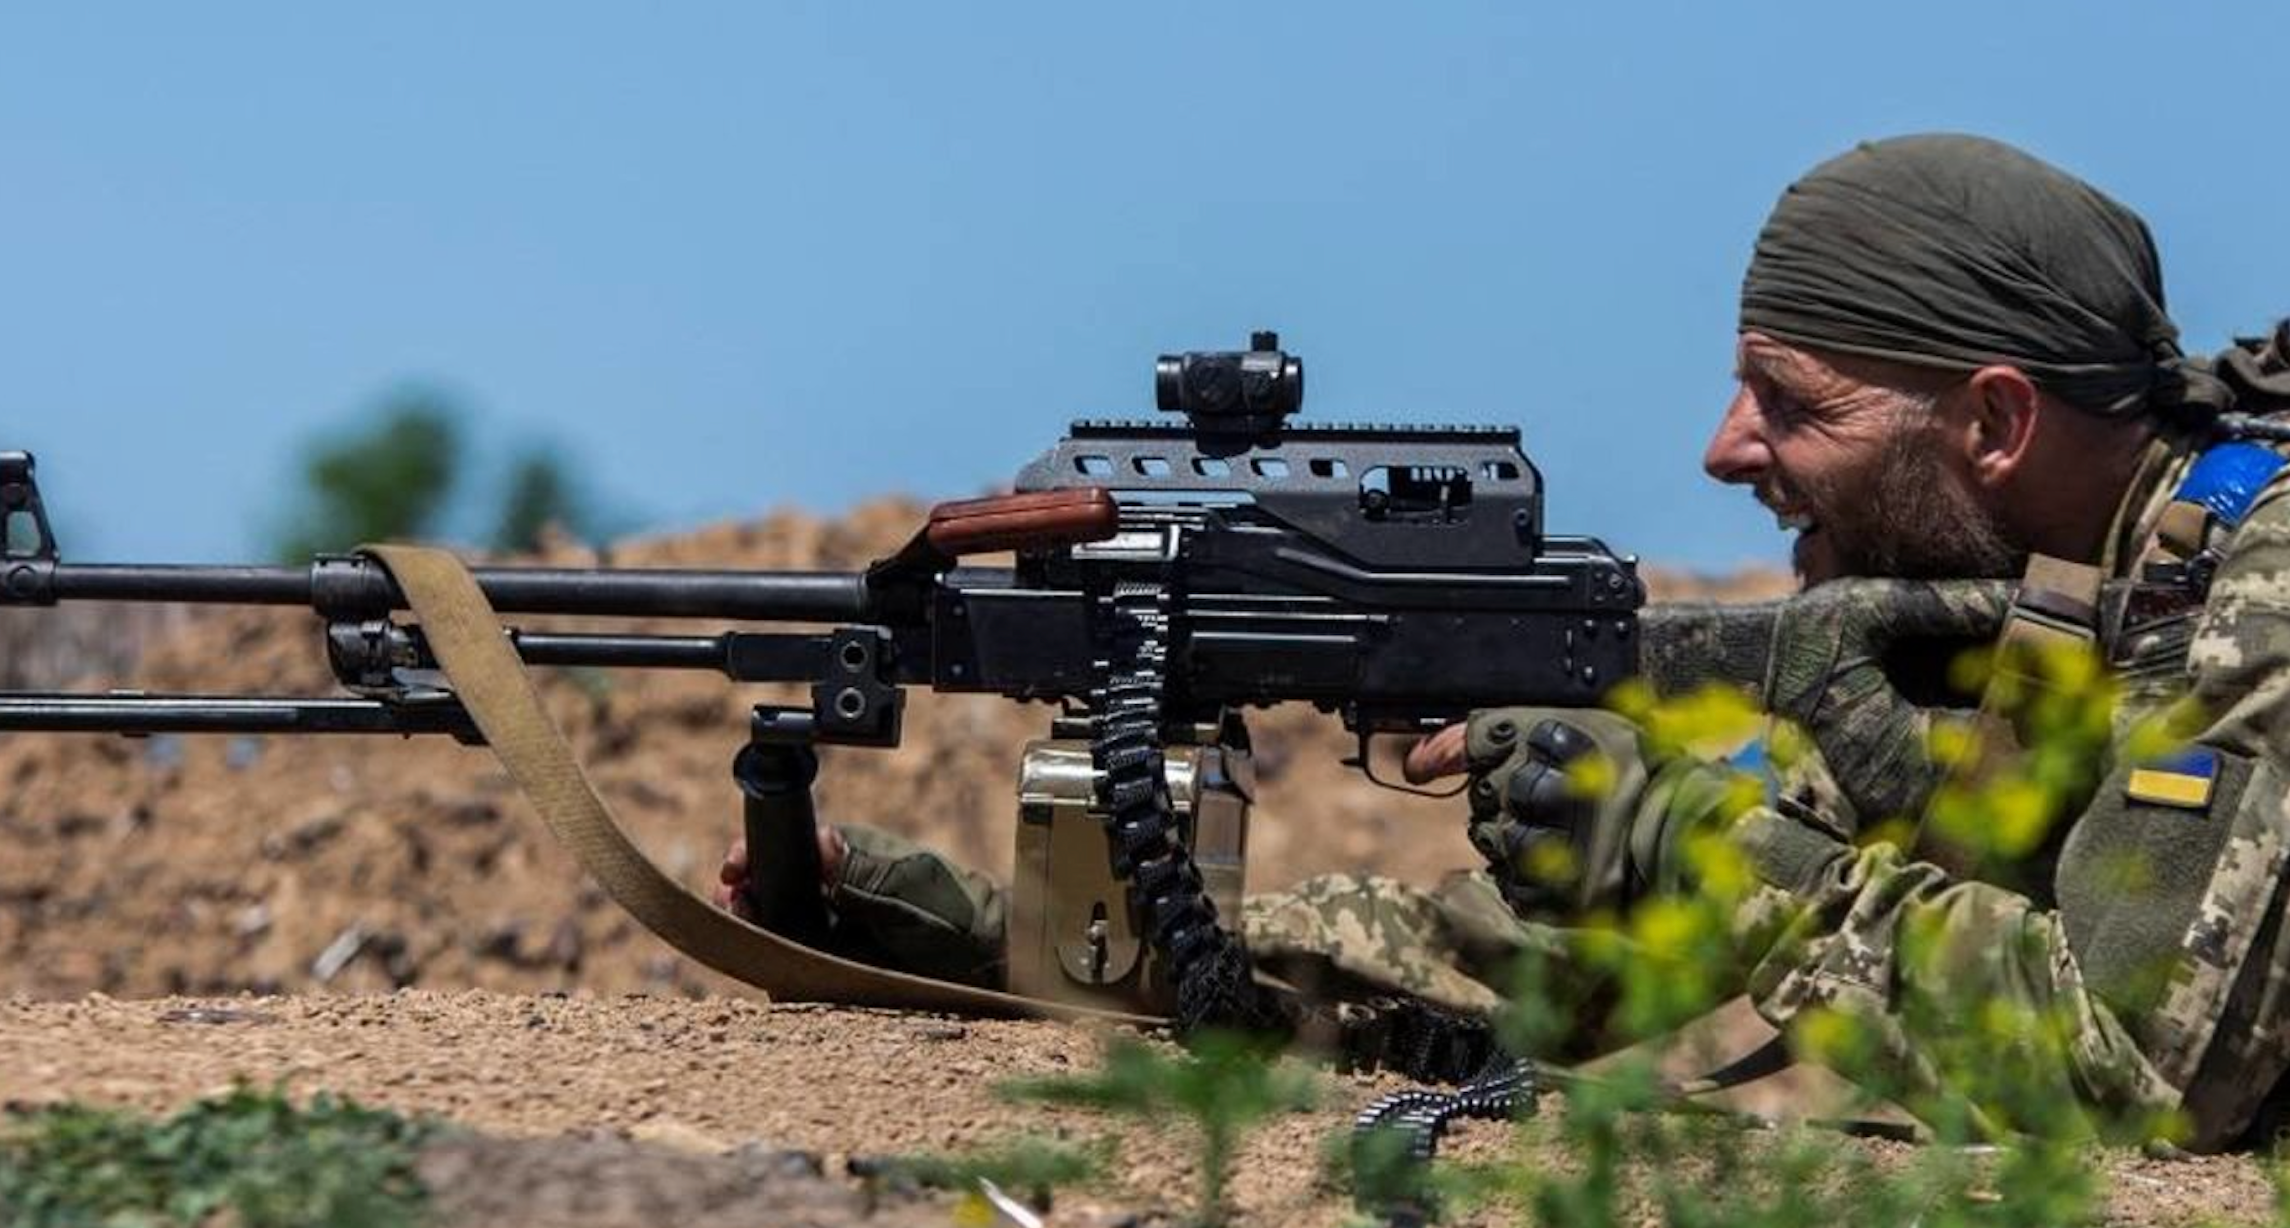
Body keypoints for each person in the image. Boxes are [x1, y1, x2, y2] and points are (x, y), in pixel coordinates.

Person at [716, 133, 2290, 1149]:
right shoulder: (2040, 607)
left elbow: (2138, 1078)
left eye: (1791, 403)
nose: (1723, 451)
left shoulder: (2255, 590)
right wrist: (973, 938)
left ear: (1996, 421)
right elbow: (1545, 977)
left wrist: (1690, 839)